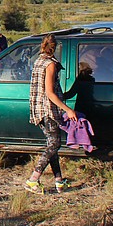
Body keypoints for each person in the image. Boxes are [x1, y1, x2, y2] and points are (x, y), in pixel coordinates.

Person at [23, 34, 77, 194]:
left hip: (38, 109)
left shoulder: (38, 61)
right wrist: (68, 110)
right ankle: (33, 179)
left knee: (51, 145)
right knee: (55, 144)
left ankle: (59, 181)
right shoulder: (50, 65)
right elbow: (50, 93)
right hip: (48, 110)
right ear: (55, 49)